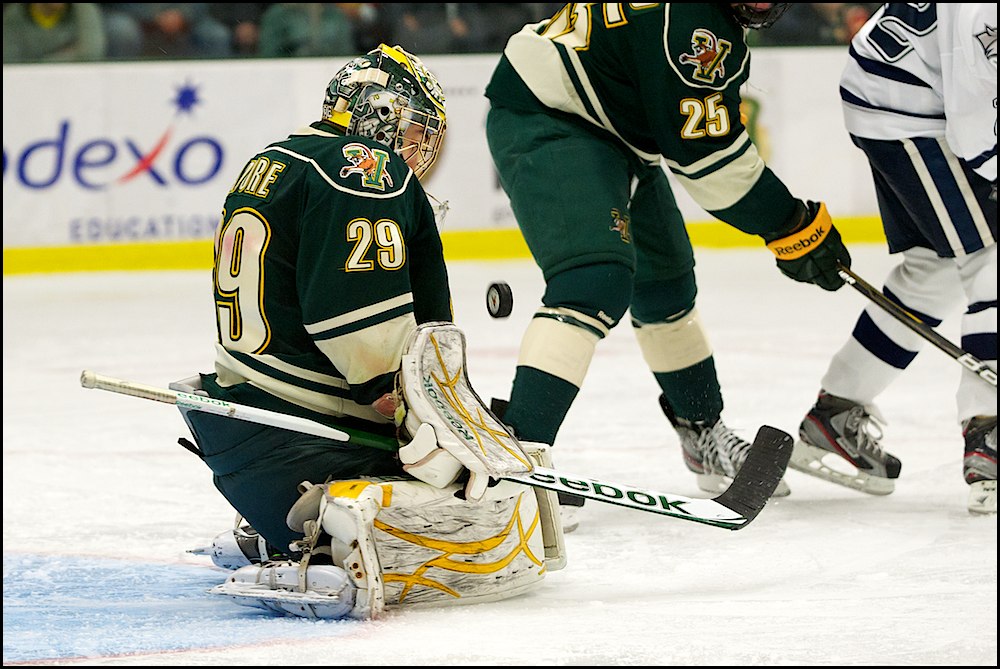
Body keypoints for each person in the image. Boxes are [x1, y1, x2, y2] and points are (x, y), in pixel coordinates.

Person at [175, 44, 564, 620]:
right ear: (377, 110)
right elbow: (356, 321)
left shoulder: (279, 157)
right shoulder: (362, 168)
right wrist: (417, 412)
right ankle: (336, 520)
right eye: (411, 130)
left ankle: (275, 524)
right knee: (475, 487)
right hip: (315, 436)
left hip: (244, 426)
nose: (414, 150)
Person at [484, 2, 854, 524]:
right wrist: (791, 225)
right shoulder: (696, 25)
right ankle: (517, 465)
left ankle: (702, 431)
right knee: (593, 281)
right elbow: (710, 162)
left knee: (666, 284)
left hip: (611, 125)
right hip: (552, 115)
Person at [790, 4, 997, 514]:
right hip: (903, 109)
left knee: (936, 271)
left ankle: (835, 413)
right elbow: (976, 130)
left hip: (914, 92)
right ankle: (990, 435)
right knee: (989, 255)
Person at [2, 3, 106, 64]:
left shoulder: (82, 8)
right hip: (29, 85)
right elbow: (10, 62)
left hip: (73, 81)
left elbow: (90, 53)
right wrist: (69, 52)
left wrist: (37, 62)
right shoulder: (14, 16)